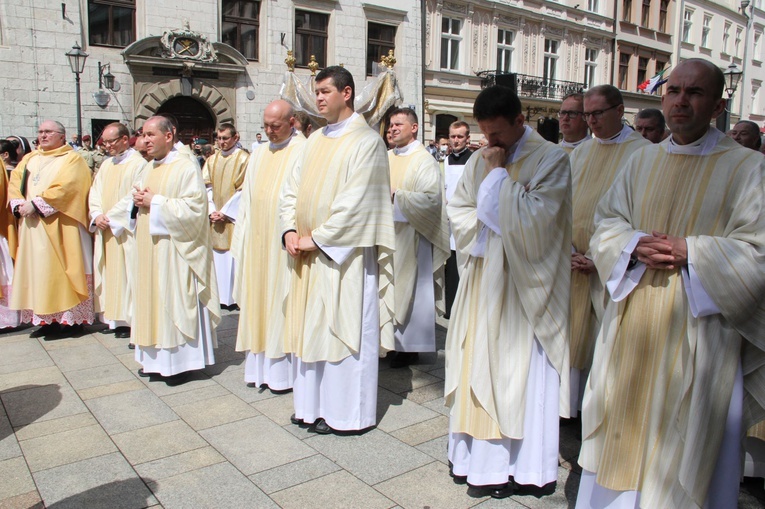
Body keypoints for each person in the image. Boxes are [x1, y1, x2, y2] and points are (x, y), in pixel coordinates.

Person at [576, 58, 765, 509]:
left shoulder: (748, 169)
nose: (681, 100)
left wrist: (693, 252)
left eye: (694, 93)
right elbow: (607, 222)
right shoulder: (642, 160)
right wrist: (633, 244)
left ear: (718, 103)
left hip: (703, 330)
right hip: (634, 322)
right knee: (624, 425)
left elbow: (758, 250)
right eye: (674, 90)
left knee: (691, 439)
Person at [445, 85, 571, 498]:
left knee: (518, 376)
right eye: (485, 134)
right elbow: (460, 209)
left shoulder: (552, 158)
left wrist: (498, 176)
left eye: (497, 133)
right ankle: (474, 461)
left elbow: (539, 221)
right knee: (475, 365)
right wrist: (483, 224)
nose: (490, 143)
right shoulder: (481, 158)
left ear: (521, 120)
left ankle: (523, 469)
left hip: (524, 288)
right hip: (483, 280)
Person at [280, 66, 395, 435]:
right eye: (316, 93)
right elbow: (291, 189)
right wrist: (288, 230)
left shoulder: (367, 142)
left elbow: (358, 202)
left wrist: (318, 238)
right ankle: (311, 407)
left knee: (340, 328)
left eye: (325, 91)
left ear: (346, 93)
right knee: (310, 328)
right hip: (306, 252)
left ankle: (346, 414)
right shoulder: (313, 140)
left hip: (341, 258)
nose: (318, 98)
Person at [568, 85, 649, 416]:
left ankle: (598, 407)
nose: (591, 121)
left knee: (604, 337)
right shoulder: (581, 151)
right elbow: (563, 203)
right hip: (572, 259)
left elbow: (640, 212)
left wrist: (602, 256)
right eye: (587, 114)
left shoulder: (641, 153)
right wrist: (566, 247)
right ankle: (569, 406)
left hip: (611, 265)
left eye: (598, 113)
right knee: (571, 332)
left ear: (620, 110)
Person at [127, 116, 221, 386]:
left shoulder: (185, 166)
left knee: (172, 300)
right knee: (150, 300)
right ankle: (153, 360)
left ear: (168, 136)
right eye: (142, 135)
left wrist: (155, 202)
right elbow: (138, 202)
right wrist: (137, 201)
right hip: (149, 248)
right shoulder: (146, 168)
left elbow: (195, 209)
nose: (144, 140)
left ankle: (179, 363)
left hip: (175, 250)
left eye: (150, 135)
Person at [232, 100, 306, 392]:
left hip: (282, 242)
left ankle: (282, 374)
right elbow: (248, 199)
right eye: (265, 125)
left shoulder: (303, 150)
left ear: (292, 123)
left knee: (280, 303)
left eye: (275, 126)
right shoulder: (259, 153)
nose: (269, 131)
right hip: (257, 241)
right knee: (257, 300)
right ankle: (258, 369)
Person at [9, 120, 94, 337]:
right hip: (32, 227)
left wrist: (37, 204)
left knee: (63, 272)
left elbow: (70, 186)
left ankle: (72, 321)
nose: (43, 135)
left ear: (61, 136)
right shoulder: (29, 158)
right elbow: (15, 182)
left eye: (48, 132)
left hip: (62, 225)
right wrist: (19, 203)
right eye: (40, 132)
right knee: (39, 273)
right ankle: (47, 321)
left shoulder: (72, 159)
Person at [386, 107, 450, 368]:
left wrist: (395, 195)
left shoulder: (424, 159)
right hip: (387, 234)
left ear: (414, 128)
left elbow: (431, 201)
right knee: (388, 286)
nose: (392, 129)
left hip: (414, 235)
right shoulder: (385, 156)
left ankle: (409, 347)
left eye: (398, 124)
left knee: (414, 289)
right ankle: (388, 341)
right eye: (390, 125)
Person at [89, 122, 147, 341]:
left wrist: (110, 218)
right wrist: (96, 215)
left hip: (123, 230)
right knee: (109, 271)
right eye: (104, 142)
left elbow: (133, 196)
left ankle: (129, 321)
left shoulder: (138, 164)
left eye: (111, 141)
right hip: (105, 227)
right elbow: (94, 192)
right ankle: (113, 319)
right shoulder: (105, 165)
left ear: (125, 139)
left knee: (127, 272)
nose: (107, 146)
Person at [202, 123, 249, 308]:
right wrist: (212, 210)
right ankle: (220, 296)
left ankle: (233, 297)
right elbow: (206, 186)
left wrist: (226, 213)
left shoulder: (244, 159)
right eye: (219, 138)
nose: (221, 142)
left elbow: (244, 190)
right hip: (216, 215)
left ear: (235, 138)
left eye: (225, 138)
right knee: (218, 257)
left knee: (233, 255)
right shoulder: (212, 160)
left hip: (233, 218)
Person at [443, 121, 472, 319]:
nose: (456, 140)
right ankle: (451, 309)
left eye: (460, 136)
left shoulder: (474, 160)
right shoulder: (444, 161)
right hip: (448, 220)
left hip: (466, 220)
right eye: (453, 136)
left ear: (468, 138)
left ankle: (465, 309)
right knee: (451, 267)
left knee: (465, 267)